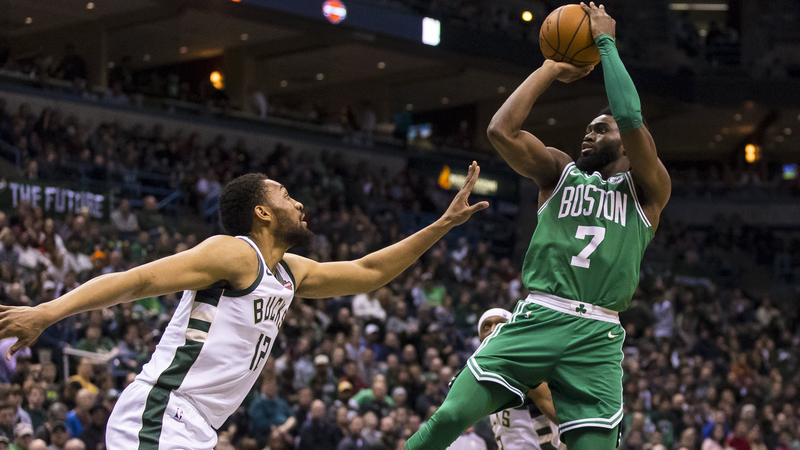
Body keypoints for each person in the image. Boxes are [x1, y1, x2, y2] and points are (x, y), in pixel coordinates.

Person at [0, 165, 488, 450]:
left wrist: (442, 224)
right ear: (262, 212)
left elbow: (369, 271)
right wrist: (47, 312)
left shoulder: (289, 272)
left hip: (199, 426)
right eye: (286, 196)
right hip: (163, 410)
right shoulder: (235, 254)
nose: (299, 204)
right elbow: (138, 280)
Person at [405, 3, 671, 450]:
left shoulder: (649, 190)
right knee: (449, 415)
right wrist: (550, 68)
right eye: (588, 128)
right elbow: (501, 131)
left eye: (600, 130)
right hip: (540, 314)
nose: (588, 134)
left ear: (626, 145)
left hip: (598, 334)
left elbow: (630, 117)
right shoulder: (559, 172)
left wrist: (605, 43)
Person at [477, 309, 561, 450]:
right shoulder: (485, 377)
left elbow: (564, 421)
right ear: (480, 340)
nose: (494, 330)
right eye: (487, 327)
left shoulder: (525, 368)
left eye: (502, 323)